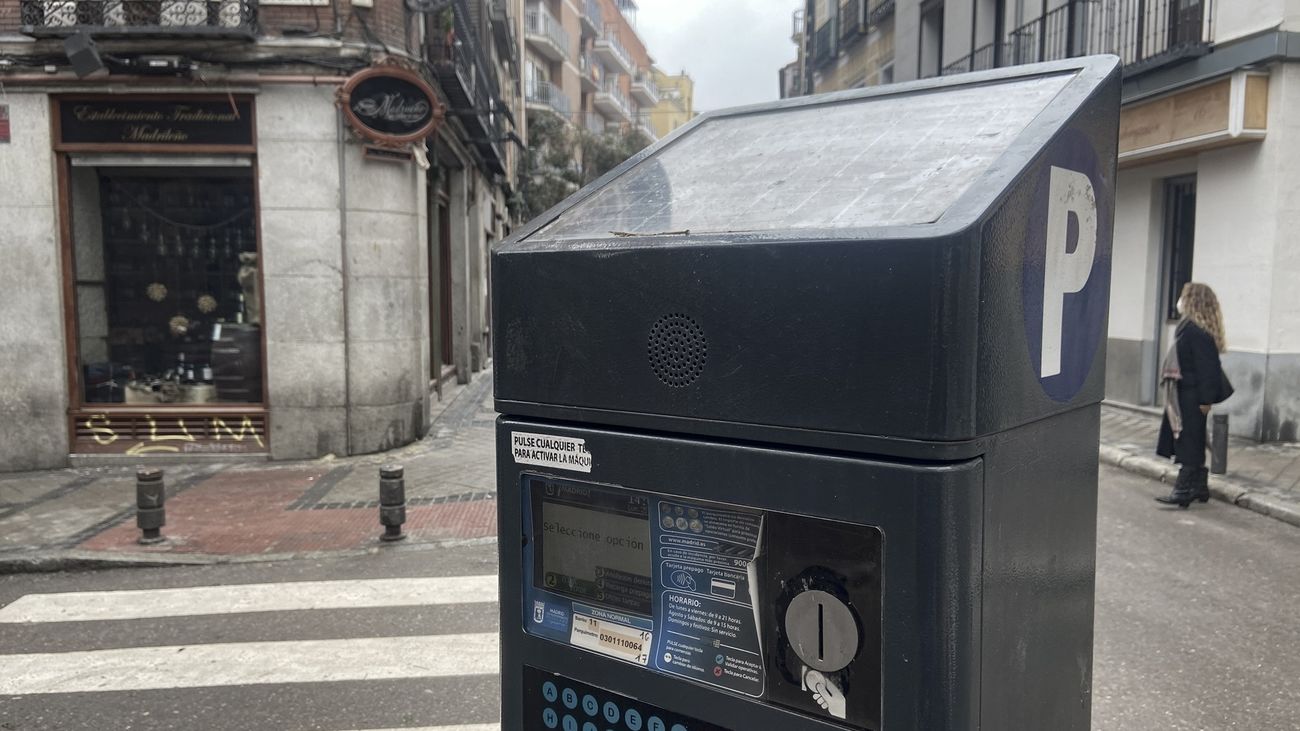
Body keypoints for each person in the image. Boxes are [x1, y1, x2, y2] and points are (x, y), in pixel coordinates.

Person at [1155, 282, 1234, 508]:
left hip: (1192, 396)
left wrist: (1205, 400)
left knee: (1188, 442)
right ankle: (1200, 487)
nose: (1179, 301)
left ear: (1192, 301)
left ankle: (1183, 490)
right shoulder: (1191, 327)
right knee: (1194, 440)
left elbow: (1208, 369)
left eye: (1183, 296)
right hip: (1187, 394)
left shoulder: (1194, 330)